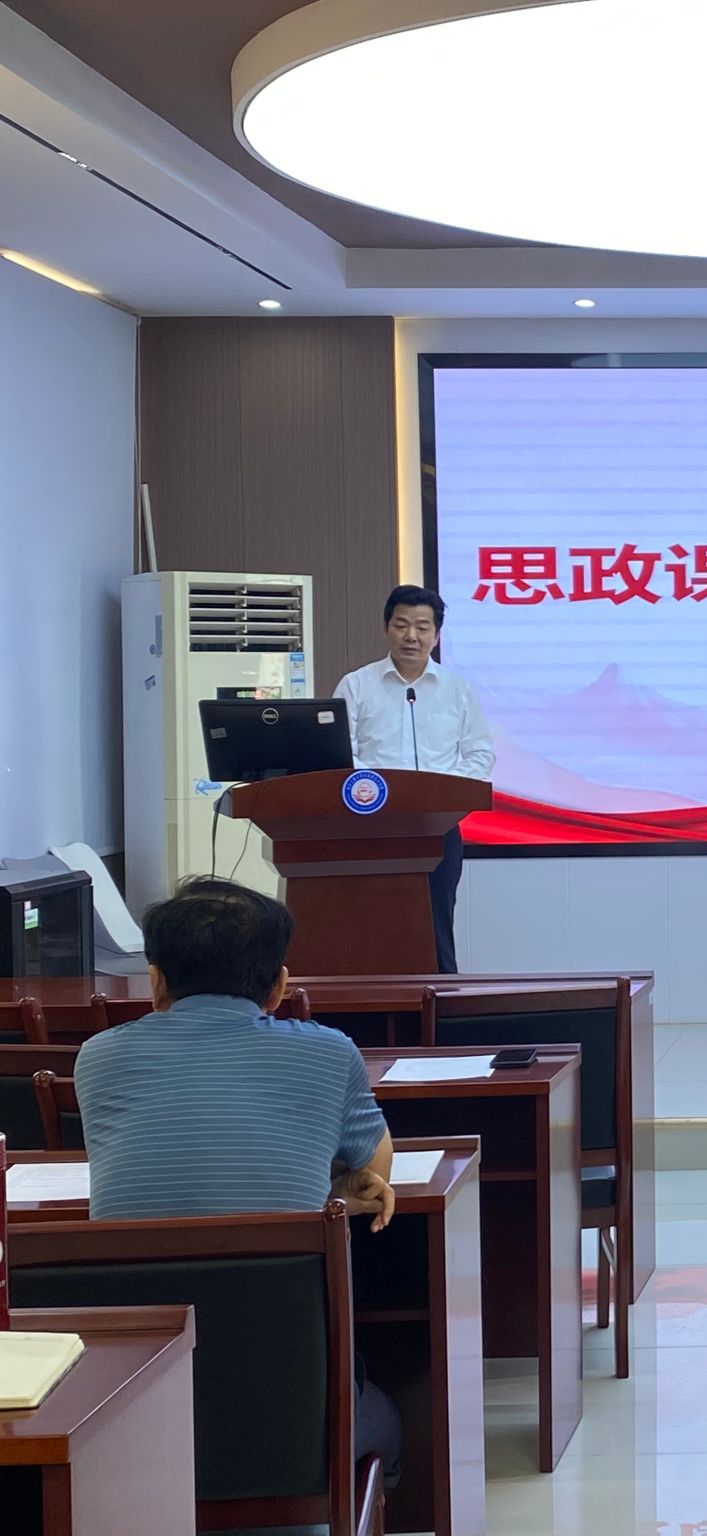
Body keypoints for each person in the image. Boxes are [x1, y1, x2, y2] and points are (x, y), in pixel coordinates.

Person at [74, 877, 403, 1480]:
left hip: (127, 1402)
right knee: (386, 1419)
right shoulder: (330, 1053)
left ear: (155, 981)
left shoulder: (98, 1058)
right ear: (279, 986)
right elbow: (375, 1166)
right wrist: (330, 1183)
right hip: (289, 1401)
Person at [335, 584, 495, 973]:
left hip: (437, 826)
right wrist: (375, 790)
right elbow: (340, 753)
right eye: (401, 625)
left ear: (436, 635)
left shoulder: (457, 690)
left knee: (435, 925)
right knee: (370, 923)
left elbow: (480, 754)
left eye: (422, 627)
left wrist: (445, 793)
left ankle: (442, 1001)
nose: (411, 636)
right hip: (371, 823)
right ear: (386, 628)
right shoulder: (356, 685)